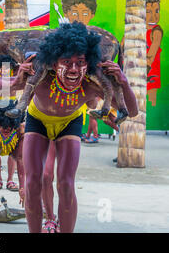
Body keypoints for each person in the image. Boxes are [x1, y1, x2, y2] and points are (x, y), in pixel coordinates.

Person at [13, 22, 138, 232]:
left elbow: (132, 112)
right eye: (66, 62)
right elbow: (4, 86)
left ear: (88, 62)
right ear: (54, 62)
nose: (73, 69)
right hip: (38, 121)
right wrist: (18, 77)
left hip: (69, 123)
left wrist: (123, 81)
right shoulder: (41, 76)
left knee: (66, 184)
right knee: (33, 183)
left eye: (80, 62)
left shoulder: (92, 83)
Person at [145, 0, 163, 107]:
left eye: (157, 11)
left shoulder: (156, 31)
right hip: (135, 72)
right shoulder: (134, 29)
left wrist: (144, 68)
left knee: (151, 102)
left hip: (151, 74)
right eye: (148, 12)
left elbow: (151, 54)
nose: (154, 16)